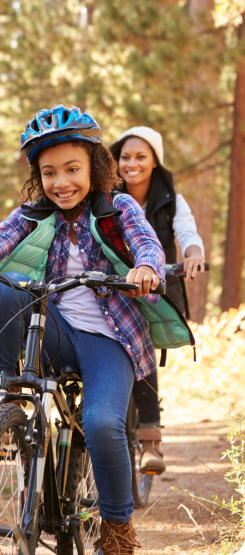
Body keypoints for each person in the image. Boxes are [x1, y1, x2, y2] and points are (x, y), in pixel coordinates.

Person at [0, 105, 176, 553]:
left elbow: (146, 241)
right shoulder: (31, 215)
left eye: (72, 169)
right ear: (37, 176)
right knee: (7, 285)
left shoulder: (116, 207)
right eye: (49, 173)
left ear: (95, 166)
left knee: (102, 424)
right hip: (56, 333)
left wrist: (145, 267)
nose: (61, 182)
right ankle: (4, 393)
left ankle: (117, 528)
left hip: (108, 339)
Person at [110, 127, 206, 474]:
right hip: (109, 284)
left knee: (141, 340)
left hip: (153, 288)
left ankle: (150, 440)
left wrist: (193, 255)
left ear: (154, 163)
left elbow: (188, 234)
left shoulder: (172, 201)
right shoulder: (104, 195)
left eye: (140, 157)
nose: (131, 164)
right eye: (124, 157)